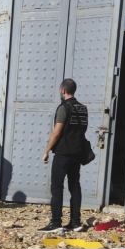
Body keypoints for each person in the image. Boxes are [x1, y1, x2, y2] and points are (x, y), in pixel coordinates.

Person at [39, 78, 89, 233]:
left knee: (57, 187)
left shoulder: (63, 108)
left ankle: (56, 222)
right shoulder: (83, 108)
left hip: (63, 153)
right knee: (75, 186)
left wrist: (47, 150)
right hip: (77, 153)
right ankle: (75, 222)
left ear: (63, 90)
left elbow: (56, 132)